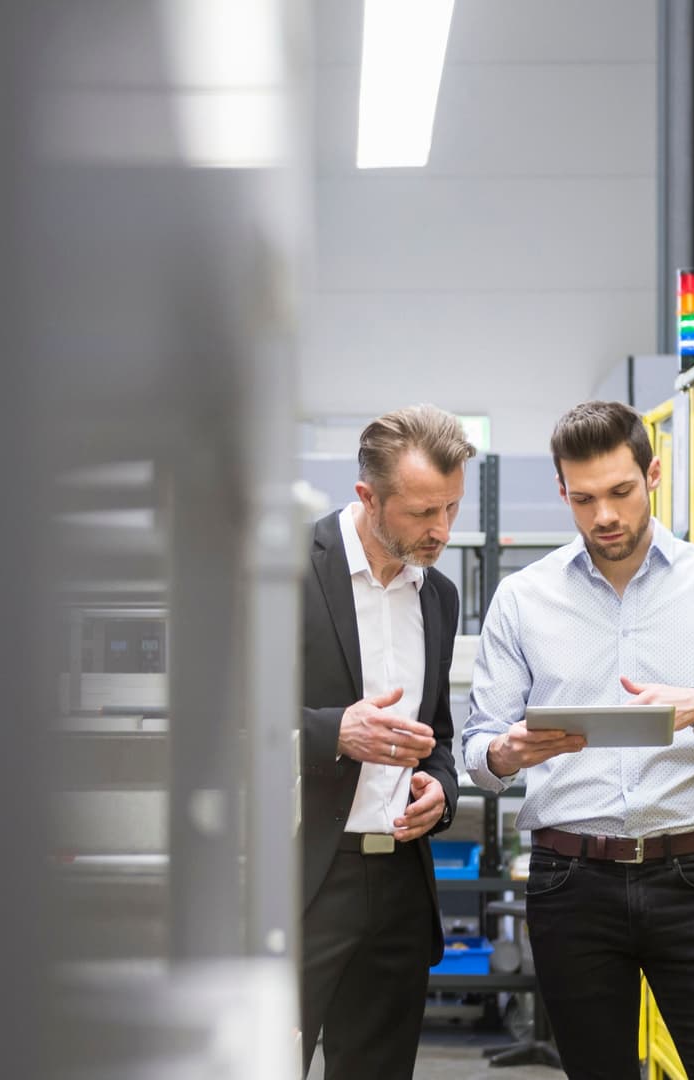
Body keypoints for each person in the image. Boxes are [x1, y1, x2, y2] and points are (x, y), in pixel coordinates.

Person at [459, 401, 694, 1080]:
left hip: (690, 877)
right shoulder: (523, 599)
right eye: (583, 499)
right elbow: (479, 750)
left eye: (620, 492)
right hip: (569, 880)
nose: (604, 517)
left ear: (652, 474)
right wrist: (507, 753)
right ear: (562, 491)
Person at [298, 404, 470, 1078]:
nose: (442, 531)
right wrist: (330, 731)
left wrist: (441, 789)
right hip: (301, 880)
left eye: (452, 509)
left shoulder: (439, 597)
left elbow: (440, 736)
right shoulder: (282, 571)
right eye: (423, 513)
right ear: (367, 497)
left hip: (398, 880)